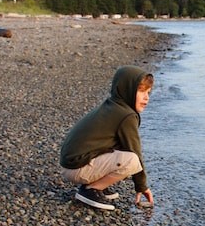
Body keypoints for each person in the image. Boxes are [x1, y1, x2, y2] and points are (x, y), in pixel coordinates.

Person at [60, 65, 155, 210]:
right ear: (126, 89)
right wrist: (141, 186)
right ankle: (91, 190)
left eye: (148, 92)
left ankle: (93, 184)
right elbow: (135, 152)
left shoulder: (113, 106)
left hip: (70, 164)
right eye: (141, 91)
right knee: (132, 160)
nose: (146, 97)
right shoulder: (126, 115)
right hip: (76, 168)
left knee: (121, 152)